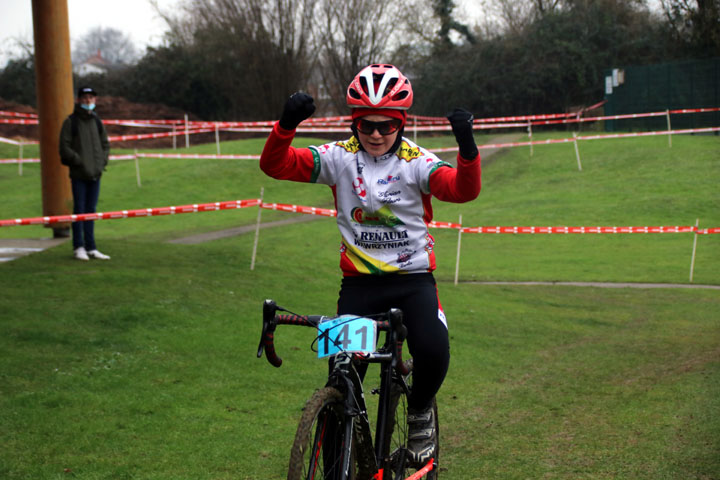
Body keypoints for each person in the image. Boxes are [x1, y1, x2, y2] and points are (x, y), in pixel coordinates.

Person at [259, 64, 481, 466]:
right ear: (353, 123)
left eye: (385, 126)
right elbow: (275, 165)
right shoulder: (338, 158)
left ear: (401, 123)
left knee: (432, 348)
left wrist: (467, 149)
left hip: (413, 281)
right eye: (366, 126)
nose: (376, 135)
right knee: (343, 379)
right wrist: (286, 125)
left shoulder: (417, 162)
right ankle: (336, 466)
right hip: (359, 287)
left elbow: (463, 190)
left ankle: (418, 415)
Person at [59, 86, 111, 261]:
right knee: (79, 211)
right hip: (79, 175)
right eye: (85, 98)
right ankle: (78, 246)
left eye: (91, 98)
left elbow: (105, 144)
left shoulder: (97, 122)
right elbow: (64, 147)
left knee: (91, 211)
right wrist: (78, 161)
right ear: (79, 100)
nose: (88, 101)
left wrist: (101, 162)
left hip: (95, 174)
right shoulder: (71, 122)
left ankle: (91, 247)